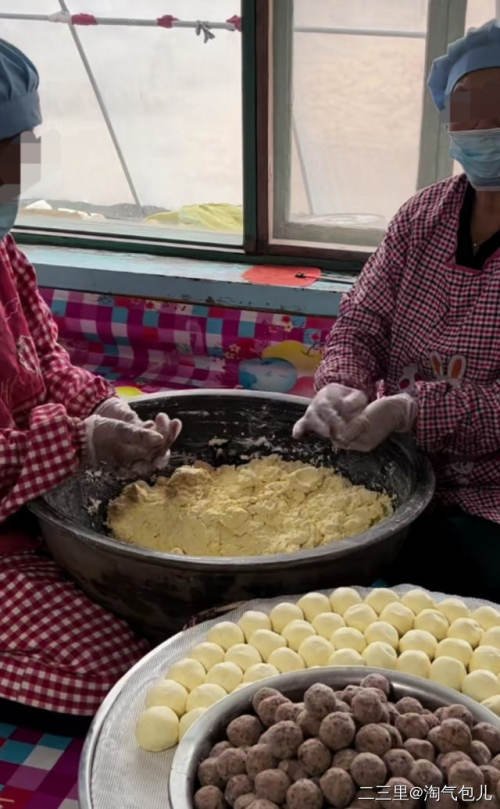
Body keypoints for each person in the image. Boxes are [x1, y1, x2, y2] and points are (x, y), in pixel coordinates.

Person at [0, 39, 182, 717]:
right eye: (6, 153)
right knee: (127, 677)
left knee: (176, 628)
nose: (18, 173)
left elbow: (51, 365)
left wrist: (113, 410)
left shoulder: (4, 257)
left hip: (31, 510)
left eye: (23, 148)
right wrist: (81, 443)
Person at [293, 20, 500, 602]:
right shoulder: (423, 216)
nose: (483, 129)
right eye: (468, 112)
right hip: (393, 465)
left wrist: (412, 409)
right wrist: (340, 387)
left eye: (498, 112)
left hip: (489, 496)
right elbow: (363, 322)